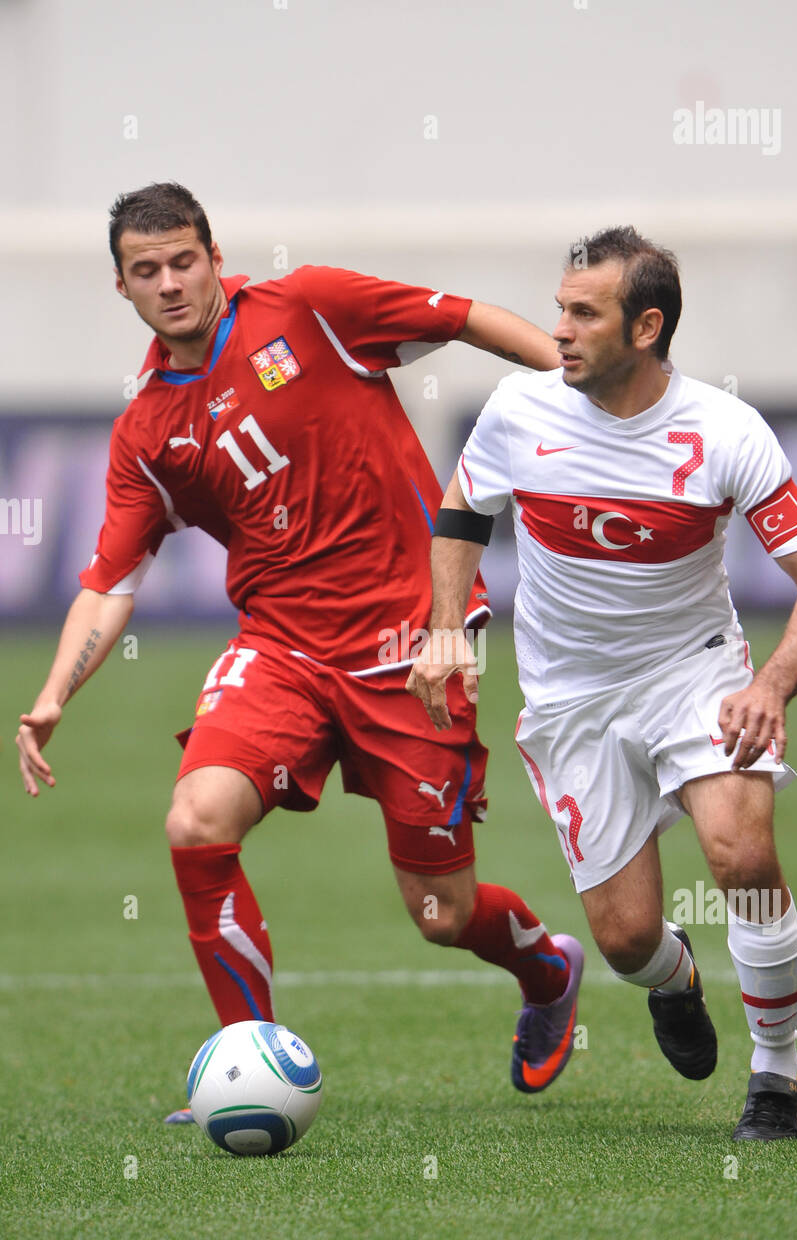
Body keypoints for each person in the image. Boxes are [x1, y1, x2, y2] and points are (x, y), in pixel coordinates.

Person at [17, 182, 585, 1121]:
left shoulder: (311, 308)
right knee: (196, 819)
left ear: (213, 255)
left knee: (441, 913)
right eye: (145, 271)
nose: (168, 283)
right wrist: (52, 695)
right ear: (120, 288)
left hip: (415, 642)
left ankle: (544, 966)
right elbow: (108, 584)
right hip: (280, 649)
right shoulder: (148, 435)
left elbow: (466, 317)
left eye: (182, 260)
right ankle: (248, 1062)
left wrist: (574, 396)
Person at [407, 225, 797, 1141]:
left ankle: (776, 1075)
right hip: (571, 700)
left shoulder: (722, 432)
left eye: (583, 313)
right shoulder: (519, 412)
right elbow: (461, 512)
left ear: (645, 327)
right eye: (559, 308)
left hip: (691, 673)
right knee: (624, 940)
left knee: (740, 853)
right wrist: (447, 625)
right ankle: (674, 978)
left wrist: (767, 686)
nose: (557, 330)